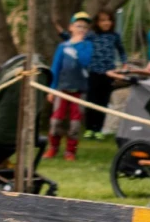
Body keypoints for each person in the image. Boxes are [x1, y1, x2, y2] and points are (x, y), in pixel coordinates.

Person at [45, 12, 92, 160]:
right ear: (71, 27)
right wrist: (52, 89)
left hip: (79, 89)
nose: (81, 29)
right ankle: (53, 147)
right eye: (78, 26)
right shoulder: (62, 47)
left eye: (85, 27)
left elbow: (85, 62)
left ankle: (71, 151)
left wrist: (78, 45)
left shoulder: (88, 46)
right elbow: (55, 68)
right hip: (62, 88)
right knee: (56, 120)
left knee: (75, 122)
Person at [83, 9, 126, 139]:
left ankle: (99, 129)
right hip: (94, 72)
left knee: (103, 101)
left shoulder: (114, 36)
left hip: (109, 73)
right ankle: (89, 128)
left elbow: (121, 51)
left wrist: (124, 63)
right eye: (103, 20)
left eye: (109, 20)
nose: (106, 23)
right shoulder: (91, 35)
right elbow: (78, 41)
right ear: (97, 22)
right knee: (92, 100)